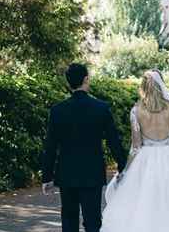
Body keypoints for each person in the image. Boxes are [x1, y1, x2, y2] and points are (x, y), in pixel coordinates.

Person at [100, 70, 169, 232]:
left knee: (145, 203)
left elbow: (136, 147)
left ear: (143, 86)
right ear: (162, 85)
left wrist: (125, 171)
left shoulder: (136, 110)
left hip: (144, 162)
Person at [40, 63, 127, 232]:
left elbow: (50, 146)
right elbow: (113, 140)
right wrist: (123, 165)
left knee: (69, 219)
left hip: (67, 173)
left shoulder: (58, 110)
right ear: (86, 79)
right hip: (92, 172)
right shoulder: (101, 108)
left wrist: (46, 177)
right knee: (93, 220)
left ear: (69, 83)